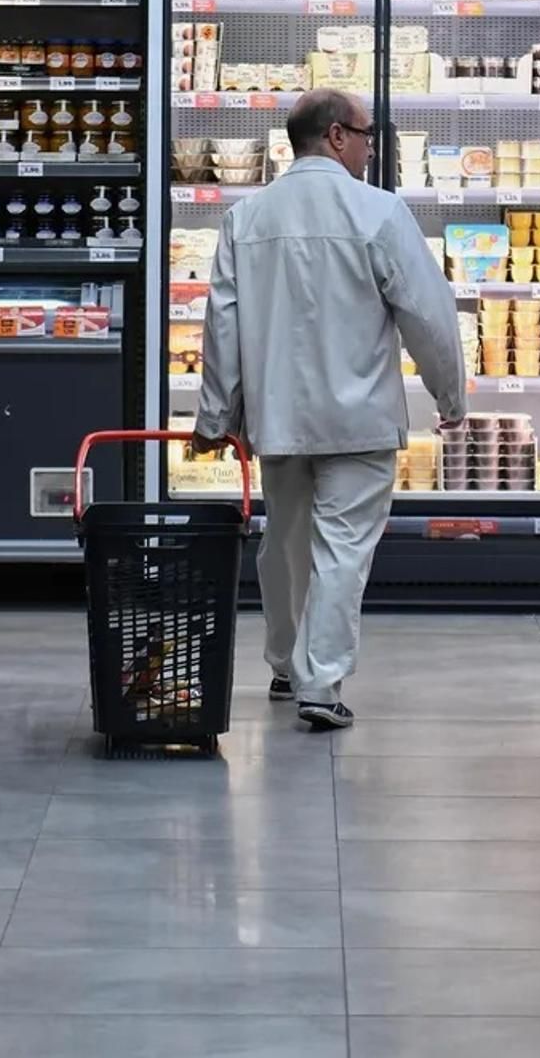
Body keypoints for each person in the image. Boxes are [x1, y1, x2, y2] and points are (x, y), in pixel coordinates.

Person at [191, 88, 465, 732]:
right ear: (337, 136)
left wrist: (215, 418)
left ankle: (286, 665)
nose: (371, 147)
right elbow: (429, 315)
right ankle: (320, 682)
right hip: (359, 418)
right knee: (342, 549)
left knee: (286, 543)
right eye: (368, 135)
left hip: (277, 416)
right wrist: (449, 395)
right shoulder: (379, 211)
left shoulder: (246, 218)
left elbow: (222, 326)